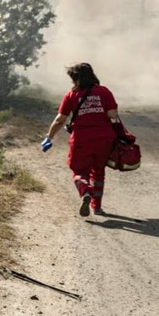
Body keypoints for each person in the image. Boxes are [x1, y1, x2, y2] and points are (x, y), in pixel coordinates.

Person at [40, 63, 118, 217]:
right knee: (98, 173)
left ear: (76, 79)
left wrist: (49, 137)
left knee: (79, 171)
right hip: (104, 139)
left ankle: (85, 193)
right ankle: (97, 207)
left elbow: (60, 120)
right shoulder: (104, 92)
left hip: (82, 140)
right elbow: (112, 115)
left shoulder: (71, 95)